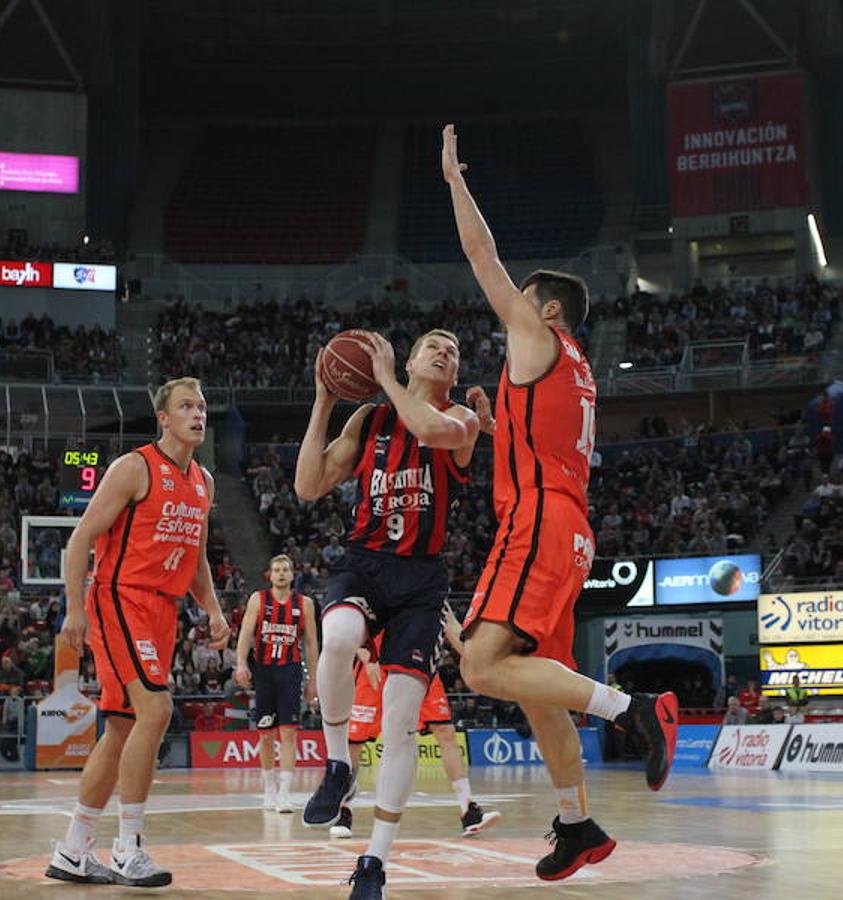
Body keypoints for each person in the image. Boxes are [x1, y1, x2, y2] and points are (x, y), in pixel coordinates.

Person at [442, 123, 677, 883]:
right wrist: (493, 421)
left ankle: (633, 709)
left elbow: (483, 257)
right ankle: (578, 825)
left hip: (538, 523)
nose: (511, 313)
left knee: (479, 666)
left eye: (524, 306)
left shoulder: (538, 335)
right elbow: (536, 439)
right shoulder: (571, 370)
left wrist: (453, 181)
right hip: (567, 525)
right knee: (536, 686)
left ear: (547, 314)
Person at [293, 326, 481, 900]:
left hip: (421, 583)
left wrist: (385, 379)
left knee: (400, 725)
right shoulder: (370, 421)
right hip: (365, 563)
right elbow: (307, 485)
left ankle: (373, 863)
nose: (445, 352)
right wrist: (325, 401)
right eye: (434, 345)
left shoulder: (463, 423)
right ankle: (335, 766)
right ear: (414, 357)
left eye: (453, 351)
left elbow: (425, 426)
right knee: (340, 634)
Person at [45, 377, 230, 889]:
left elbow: (195, 558)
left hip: (162, 610)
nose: (198, 413)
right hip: (119, 597)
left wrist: (213, 608)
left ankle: (73, 849)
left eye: (203, 405)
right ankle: (128, 848)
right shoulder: (134, 467)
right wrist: (74, 609)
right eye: (186, 406)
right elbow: (80, 538)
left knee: (124, 727)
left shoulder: (204, 482)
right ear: (163, 418)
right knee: (157, 707)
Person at [331, 611, 501, 840]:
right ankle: (343, 809)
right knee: (355, 743)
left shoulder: (434, 587)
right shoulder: (379, 582)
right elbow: (355, 628)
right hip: (376, 666)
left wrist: (481, 662)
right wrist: (367, 658)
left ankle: (468, 810)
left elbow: (452, 627)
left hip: (420, 665)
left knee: (446, 732)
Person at [234, 553, 320, 814]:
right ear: (270, 576)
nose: (281, 573)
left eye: (285, 569)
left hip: (290, 672)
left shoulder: (304, 604)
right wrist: (241, 663)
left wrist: (314, 680)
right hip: (265, 672)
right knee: (266, 734)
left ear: (292, 575)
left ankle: (284, 793)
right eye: (277, 570)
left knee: (290, 732)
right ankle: (269, 788)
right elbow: (246, 633)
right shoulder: (258, 600)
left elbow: (311, 643)